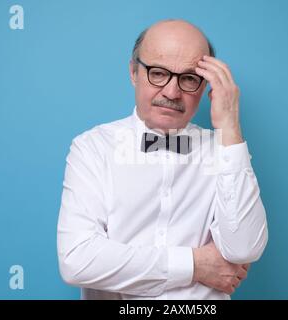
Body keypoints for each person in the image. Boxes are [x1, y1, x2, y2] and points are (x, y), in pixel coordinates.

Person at [57, 19, 268, 300]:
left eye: (189, 79)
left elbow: (244, 248)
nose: (171, 92)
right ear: (134, 72)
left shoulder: (226, 151)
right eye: (158, 73)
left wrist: (230, 128)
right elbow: (77, 260)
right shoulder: (92, 148)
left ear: (206, 87)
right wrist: (195, 265)